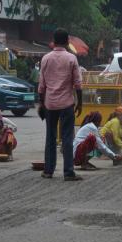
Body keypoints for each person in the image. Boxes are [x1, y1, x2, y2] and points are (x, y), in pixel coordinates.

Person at [39, 28, 83, 181]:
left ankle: (48, 171)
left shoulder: (45, 59)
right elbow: (78, 84)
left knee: (50, 138)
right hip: (67, 104)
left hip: (50, 104)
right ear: (66, 42)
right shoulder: (71, 59)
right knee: (67, 138)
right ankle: (68, 172)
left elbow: (41, 85)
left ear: (54, 41)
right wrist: (80, 103)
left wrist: (41, 104)